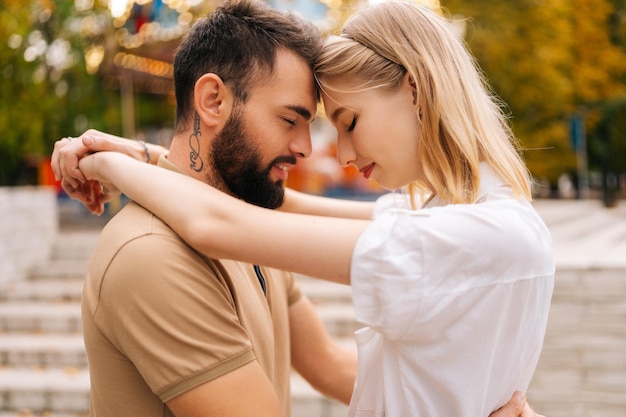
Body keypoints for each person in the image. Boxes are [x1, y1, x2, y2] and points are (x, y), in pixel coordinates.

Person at [53, 1, 548, 416]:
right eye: (291, 119)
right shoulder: (152, 256)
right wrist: (138, 156)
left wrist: (106, 166)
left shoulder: (469, 229)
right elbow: (338, 367)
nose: (320, 150)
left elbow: (215, 220)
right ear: (212, 100)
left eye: (345, 121)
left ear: (415, 88)